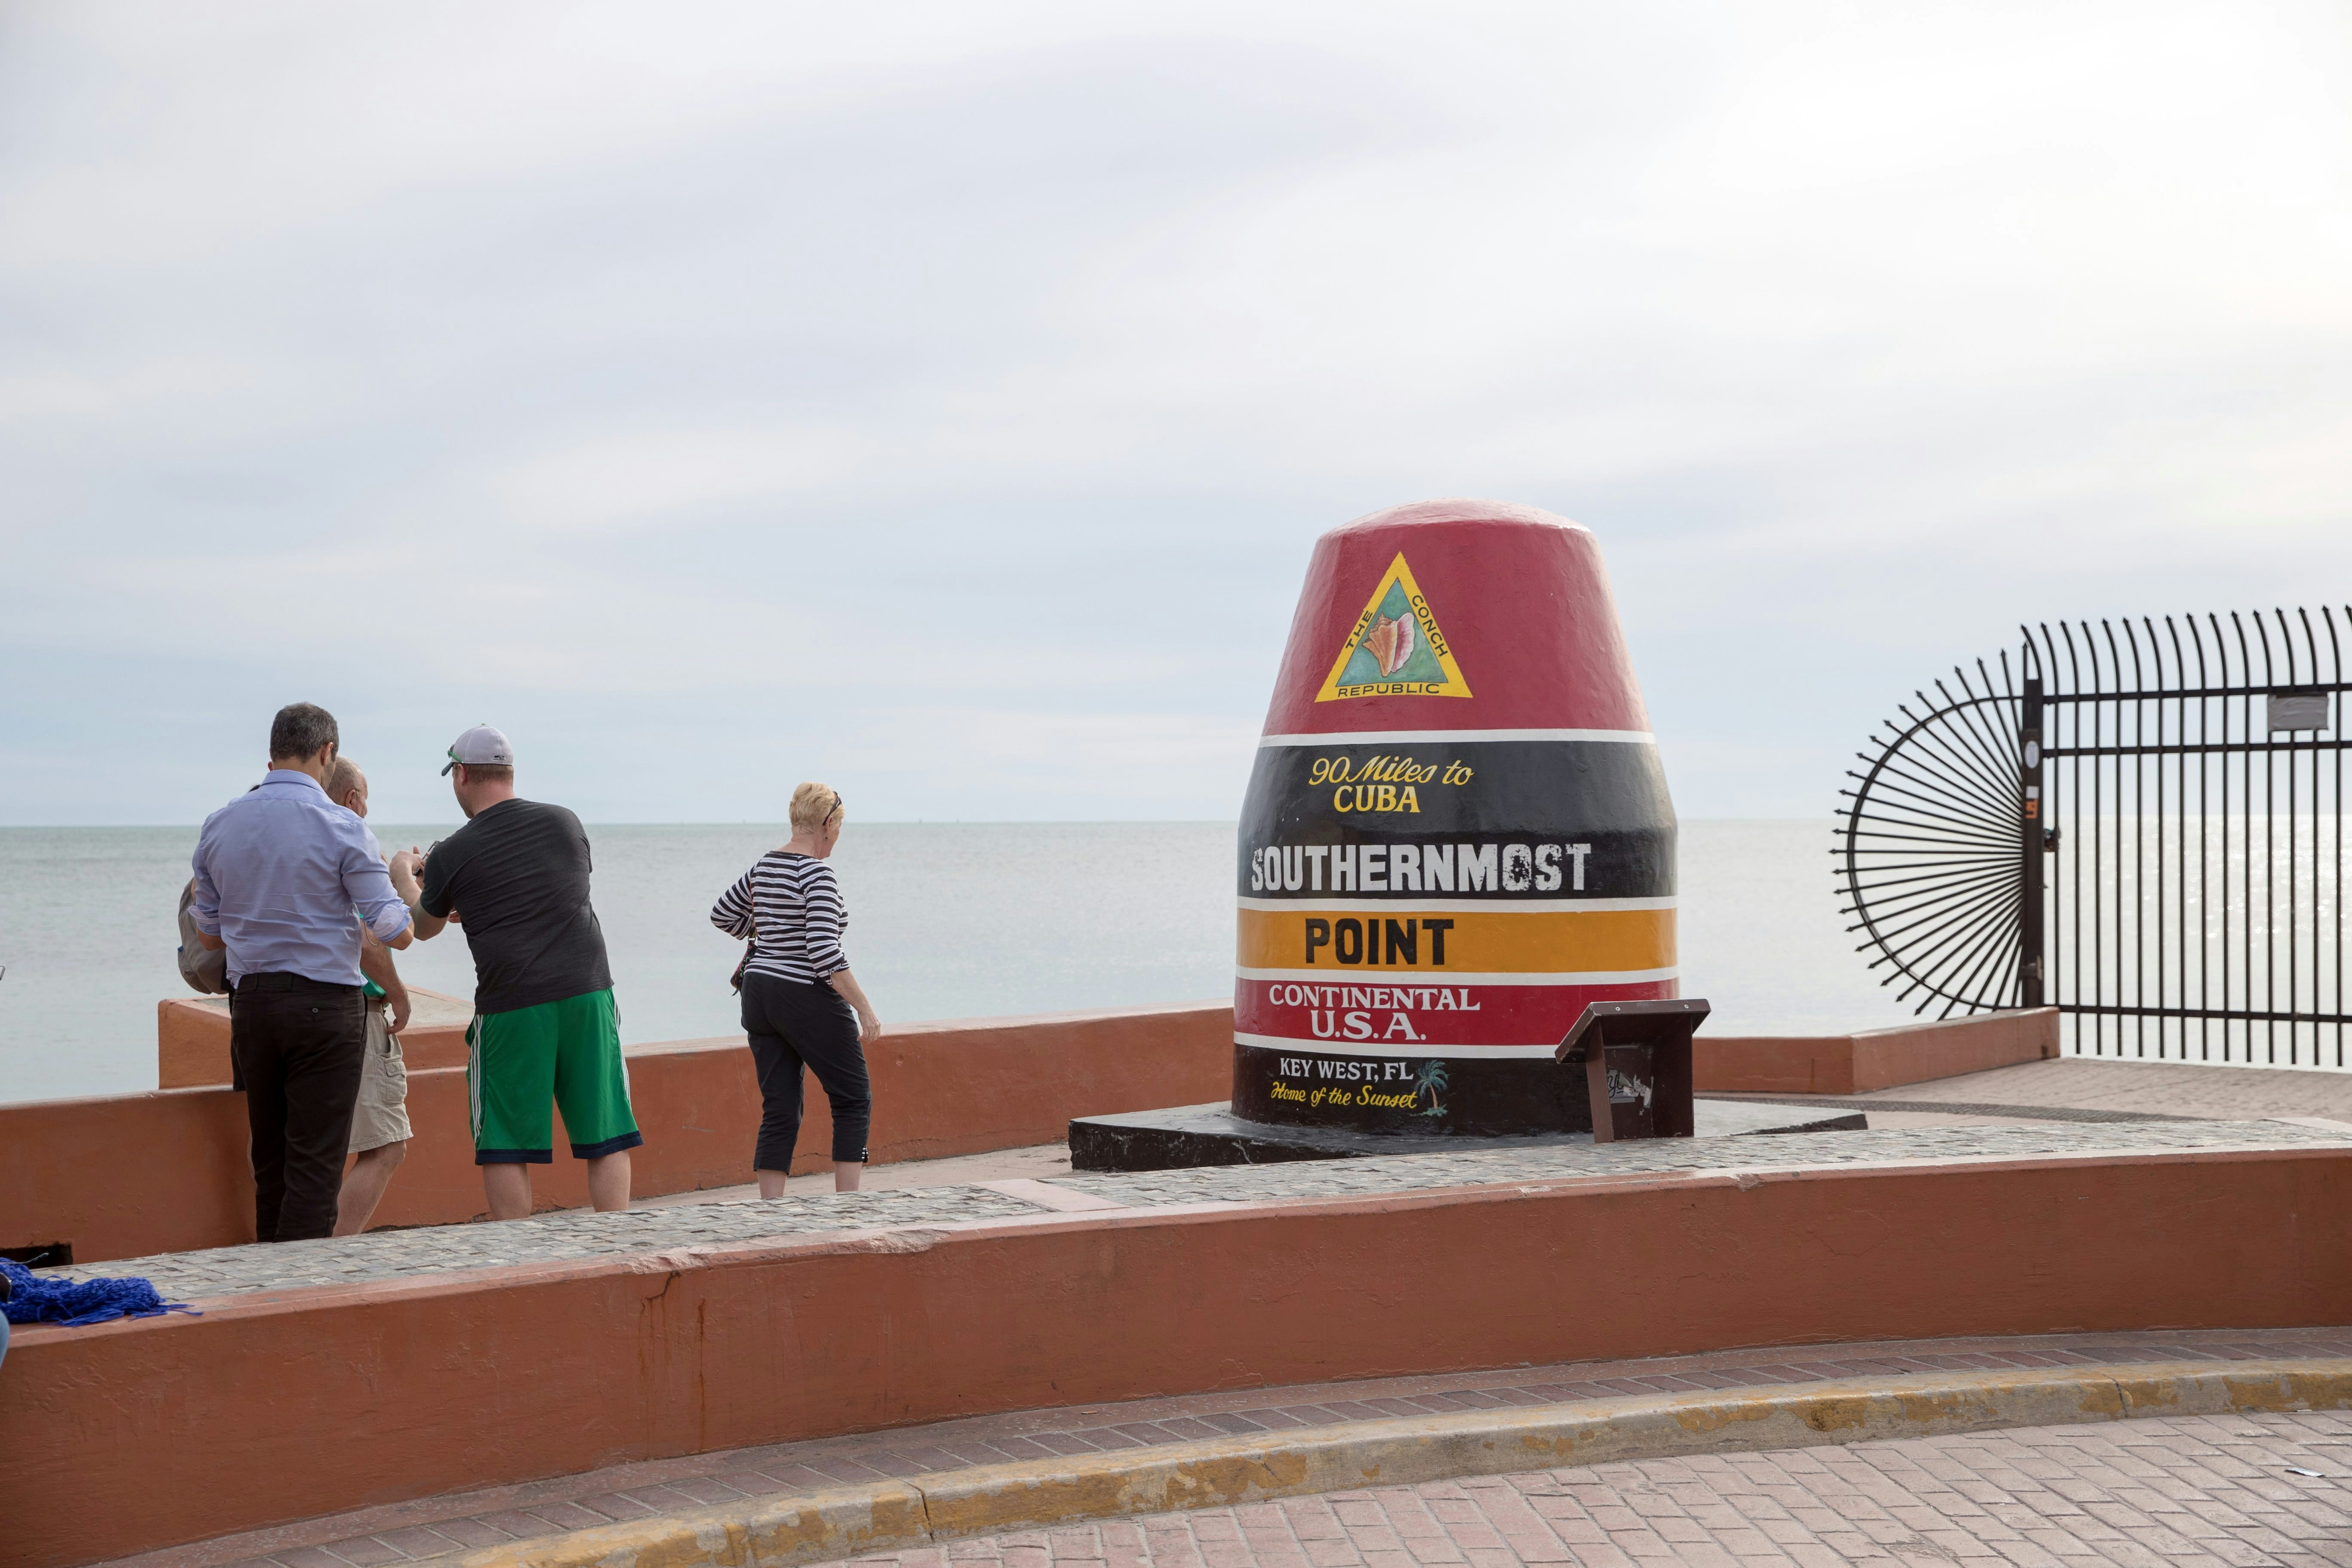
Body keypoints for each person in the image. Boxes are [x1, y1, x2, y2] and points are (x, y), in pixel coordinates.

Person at [388, 725, 640, 1221]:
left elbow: (422, 929)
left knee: (504, 1141)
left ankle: (520, 1259)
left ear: (461, 775)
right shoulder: (566, 822)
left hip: (513, 1005)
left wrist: (405, 877)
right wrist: (471, 899)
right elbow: (552, 889)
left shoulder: (455, 852)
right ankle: (617, 1248)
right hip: (588, 992)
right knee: (607, 1133)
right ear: (509, 772)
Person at [190, 703, 415, 1243]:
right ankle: (300, 1298)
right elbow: (394, 932)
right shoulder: (343, 827)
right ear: (326, 753)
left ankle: (270, 1289)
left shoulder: (221, 824)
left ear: (272, 752)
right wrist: (405, 877)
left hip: (253, 1008)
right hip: (325, 1011)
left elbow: (208, 936)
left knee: (272, 1164)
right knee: (315, 1170)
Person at [710, 782, 882, 1197]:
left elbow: (722, 914)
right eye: (839, 827)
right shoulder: (817, 873)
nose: (838, 837)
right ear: (828, 824)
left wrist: (767, 933)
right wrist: (866, 1010)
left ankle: (772, 1209)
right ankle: (849, 1206)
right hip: (804, 995)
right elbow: (825, 954)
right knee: (853, 1098)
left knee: (781, 1107)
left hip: (759, 994)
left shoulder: (765, 866)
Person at [320, 756, 416, 1237]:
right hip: (356, 1012)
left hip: (291, 1007)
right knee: (386, 1146)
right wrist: (399, 994)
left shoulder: (301, 844)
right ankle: (332, 1255)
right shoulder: (353, 843)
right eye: (367, 797)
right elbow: (374, 939)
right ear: (354, 799)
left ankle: (291, 1254)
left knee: (312, 1151)